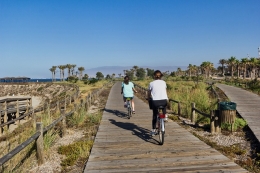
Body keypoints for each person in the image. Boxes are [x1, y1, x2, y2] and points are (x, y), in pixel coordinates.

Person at [147, 70, 168, 136]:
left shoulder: (151, 83)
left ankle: (153, 130)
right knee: (163, 110)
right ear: (161, 76)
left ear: (154, 76)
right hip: (164, 101)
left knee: (154, 115)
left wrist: (148, 98)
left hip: (155, 102)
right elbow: (165, 91)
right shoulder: (164, 82)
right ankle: (164, 116)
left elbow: (149, 92)